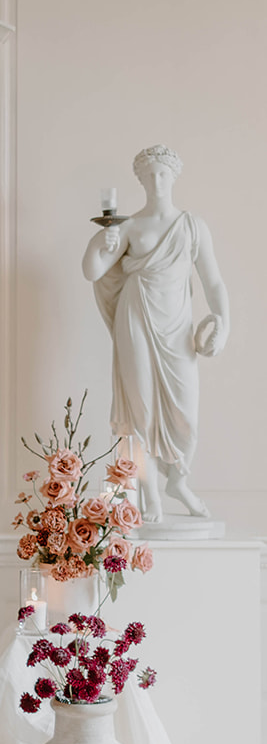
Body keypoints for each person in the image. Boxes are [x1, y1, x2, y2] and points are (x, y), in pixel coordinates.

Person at [81, 145, 230, 522]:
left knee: (187, 418)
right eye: (148, 175)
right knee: (141, 411)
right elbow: (92, 271)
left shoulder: (193, 225)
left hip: (177, 326)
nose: (156, 181)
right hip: (136, 318)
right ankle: (150, 497)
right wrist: (103, 241)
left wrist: (222, 322)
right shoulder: (129, 227)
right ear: (140, 180)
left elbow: (213, 281)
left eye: (162, 173)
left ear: (173, 176)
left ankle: (177, 481)